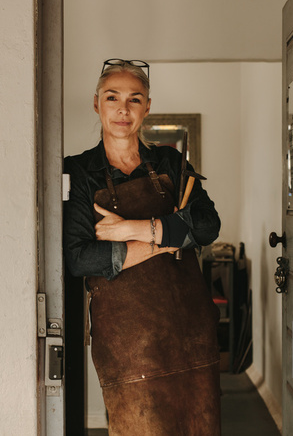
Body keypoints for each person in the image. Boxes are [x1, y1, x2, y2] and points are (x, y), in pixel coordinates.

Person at [63, 58, 222, 435]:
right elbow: (80, 257)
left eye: (134, 99)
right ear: (96, 103)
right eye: (112, 97)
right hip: (128, 343)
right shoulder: (79, 172)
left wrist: (131, 229)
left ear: (147, 107)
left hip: (191, 331)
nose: (123, 108)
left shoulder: (169, 161)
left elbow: (206, 224)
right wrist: (166, 241)